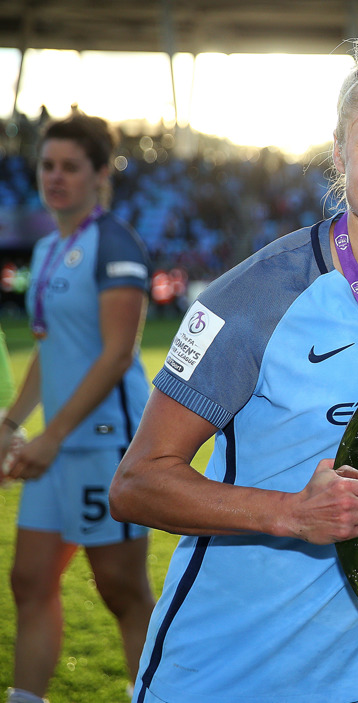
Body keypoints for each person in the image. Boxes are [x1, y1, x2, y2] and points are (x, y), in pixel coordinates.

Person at [108, 36, 358, 703]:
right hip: (229, 673)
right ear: (341, 154)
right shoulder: (256, 297)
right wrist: (292, 513)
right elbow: (137, 484)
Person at [1, 113, 156, 703]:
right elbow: (49, 351)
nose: (56, 177)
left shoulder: (114, 243)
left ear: (98, 174)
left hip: (104, 446)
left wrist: (51, 436)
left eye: (70, 166)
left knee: (121, 591)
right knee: (30, 580)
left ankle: (152, 694)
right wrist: (12, 422)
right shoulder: (46, 247)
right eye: (47, 166)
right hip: (57, 445)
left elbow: (117, 356)